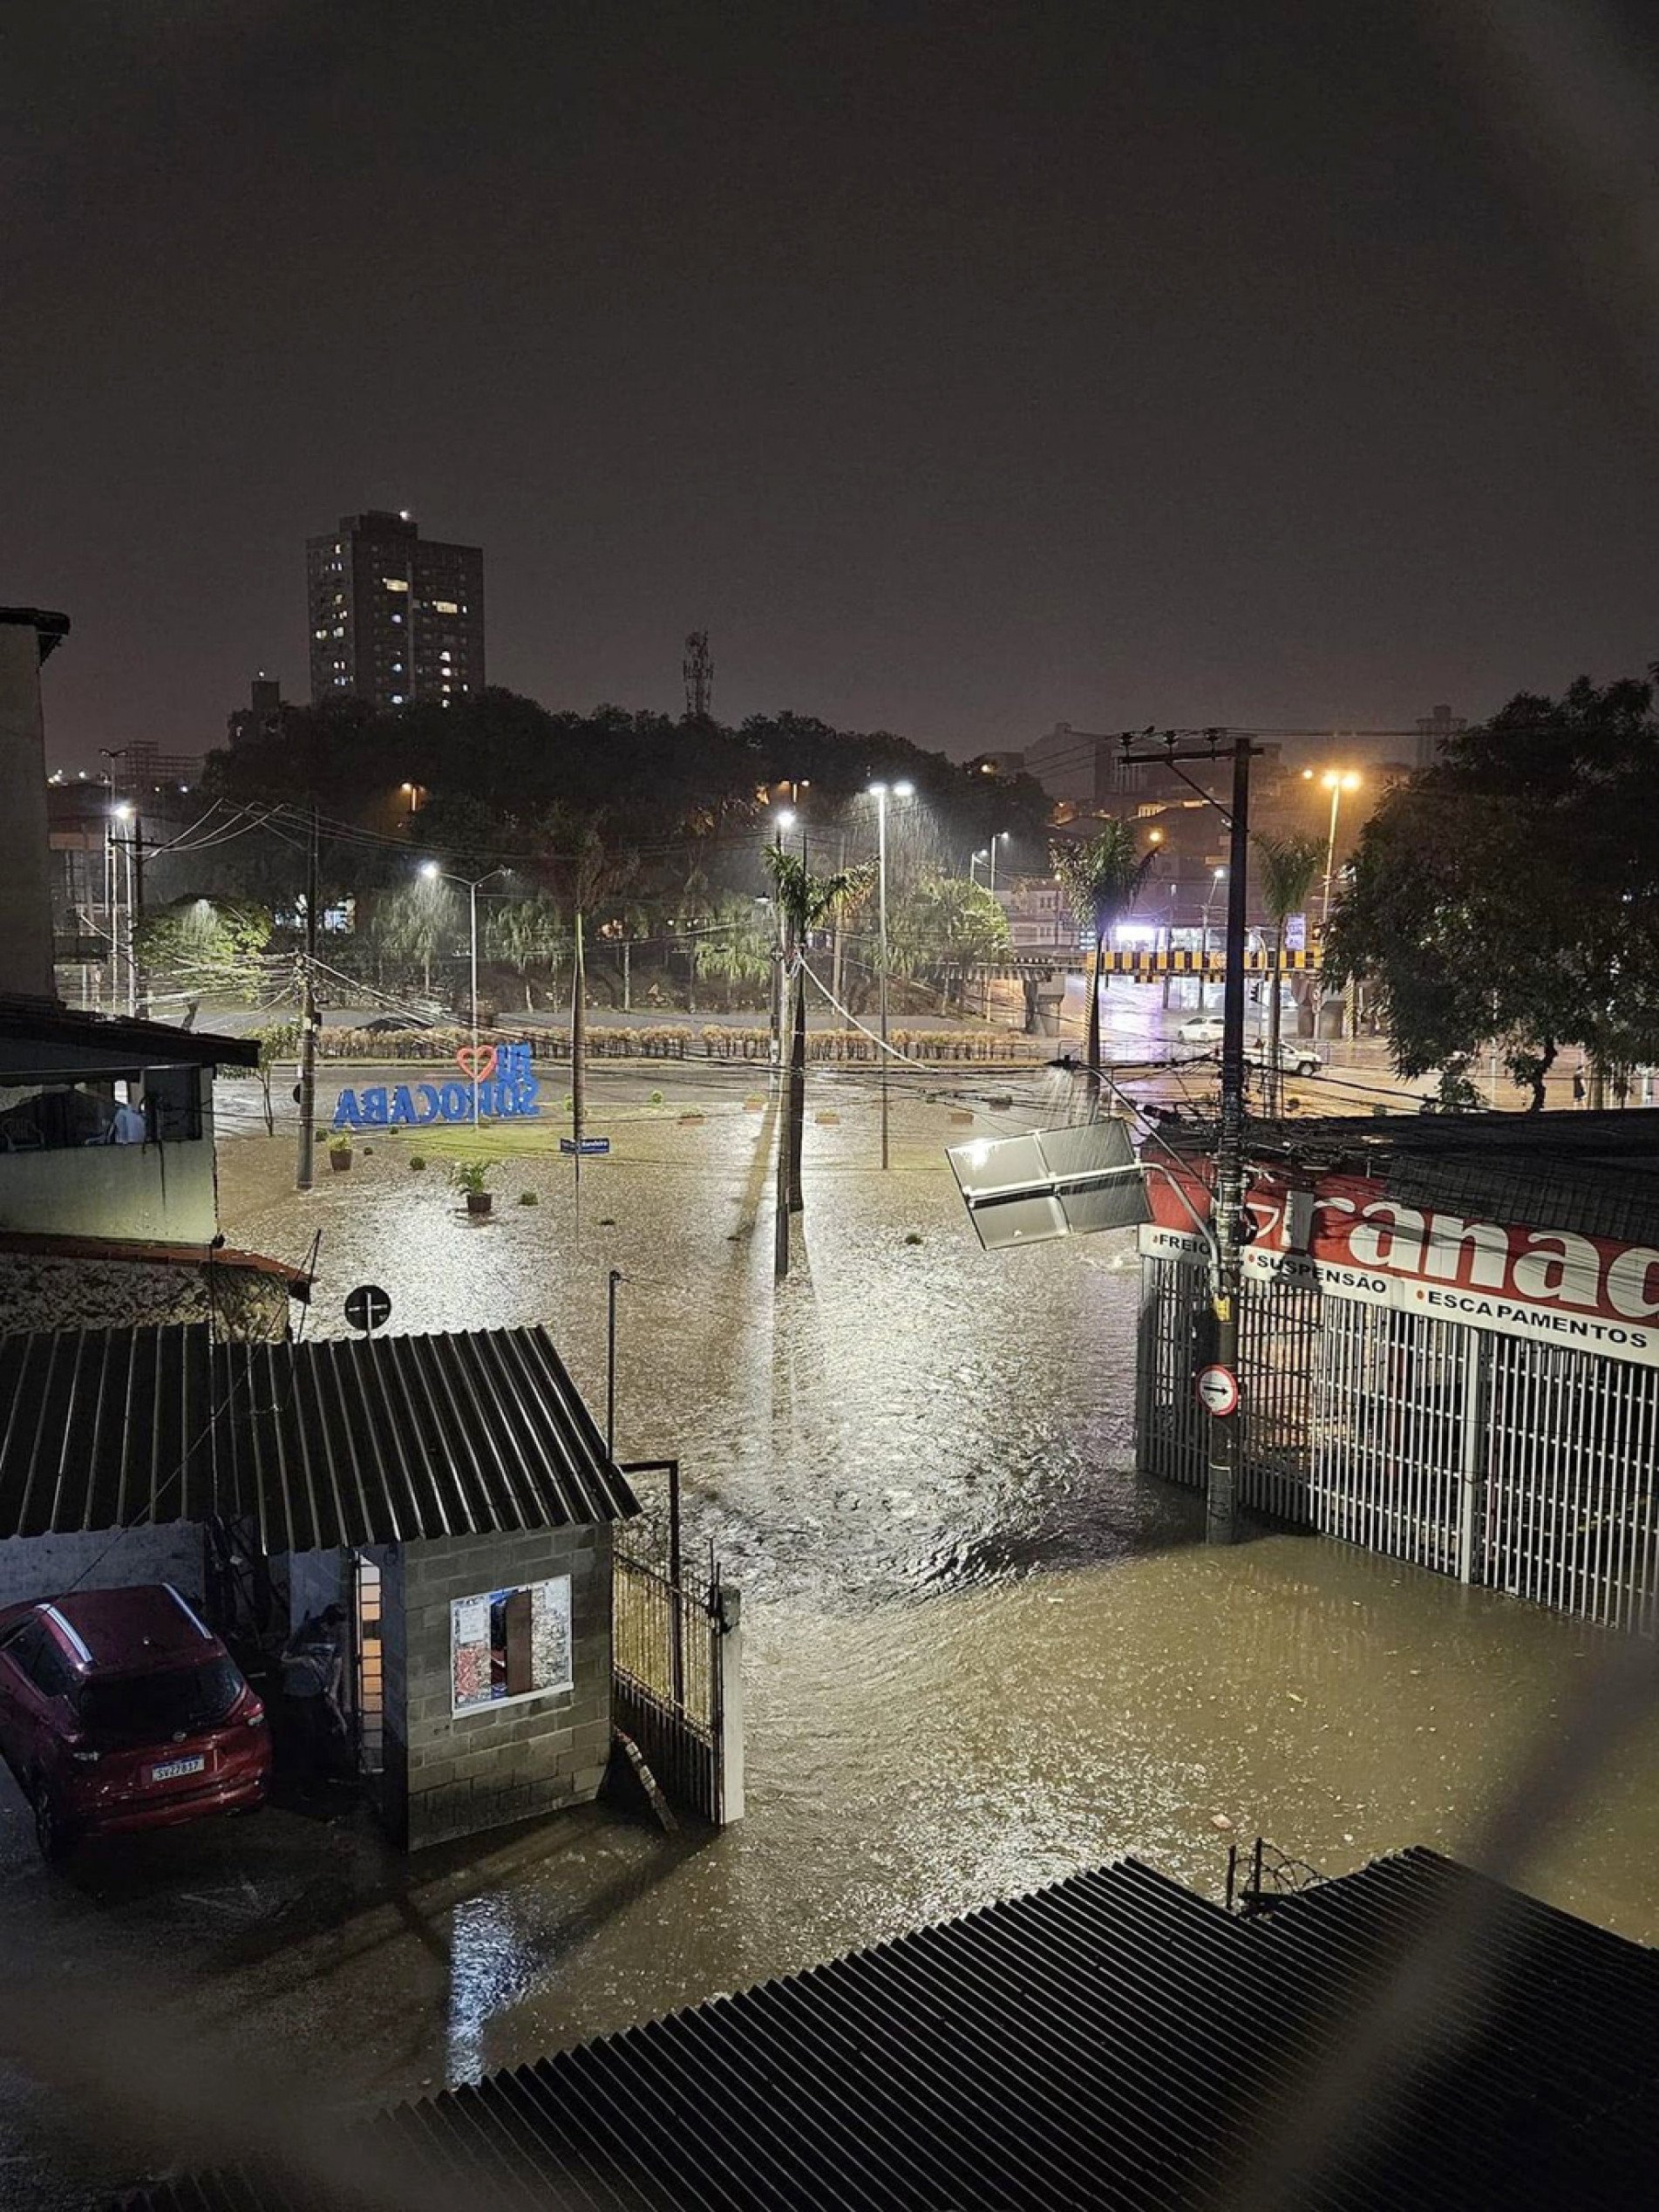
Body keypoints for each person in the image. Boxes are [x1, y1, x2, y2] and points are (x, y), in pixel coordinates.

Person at [281, 1603, 347, 1780]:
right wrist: (302, 1660)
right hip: (299, 1692)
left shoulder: (336, 1635)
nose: (340, 1631)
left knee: (323, 1731)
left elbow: (337, 1662)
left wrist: (333, 1689)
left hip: (320, 1690)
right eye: (339, 1627)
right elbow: (284, 1660)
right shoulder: (306, 1631)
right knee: (306, 1733)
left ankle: (322, 1772)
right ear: (330, 1623)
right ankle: (303, 1776)